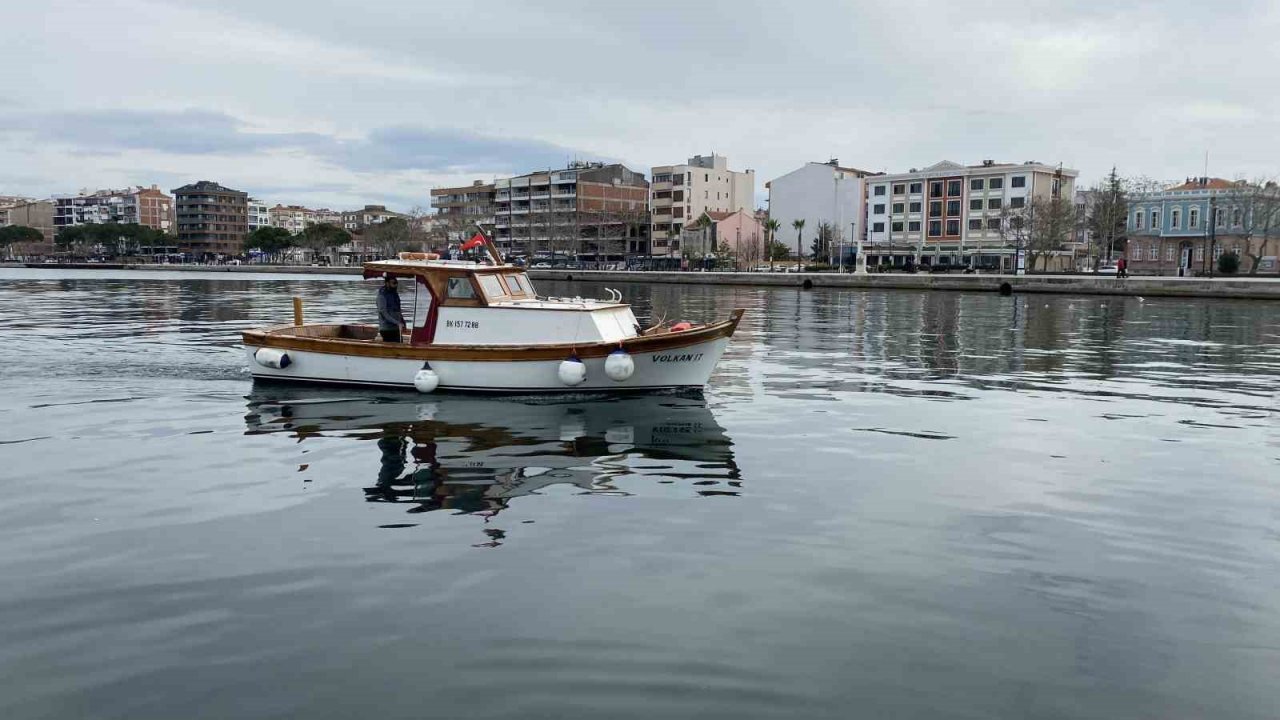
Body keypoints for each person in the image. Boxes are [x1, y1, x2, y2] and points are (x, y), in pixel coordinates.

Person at [377, 274, 406, 342]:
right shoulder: (382, 296)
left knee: (400, 342)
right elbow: (384, 313)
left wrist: (402, 320)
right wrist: (397, 322)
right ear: (387, 283)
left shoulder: (395, 294)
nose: (395, 285)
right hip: (387, 328)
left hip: (396, 328)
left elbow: (398, 309)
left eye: (396, 283)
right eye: (393, 283)